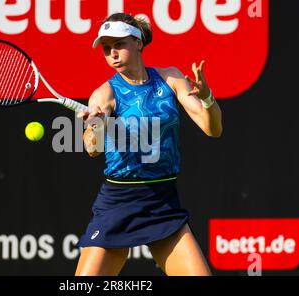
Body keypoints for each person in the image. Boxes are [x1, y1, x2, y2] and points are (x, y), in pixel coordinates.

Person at [75, 12, 222, 276]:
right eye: (107, 49)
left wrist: (208, 98)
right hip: (119, 202)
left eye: (119, 44)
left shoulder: (170, 79)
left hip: (163, 203)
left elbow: (213, 129)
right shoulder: (104, 93)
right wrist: (95, 125)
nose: (112, 54)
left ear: (138, 42)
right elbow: (92, 148)